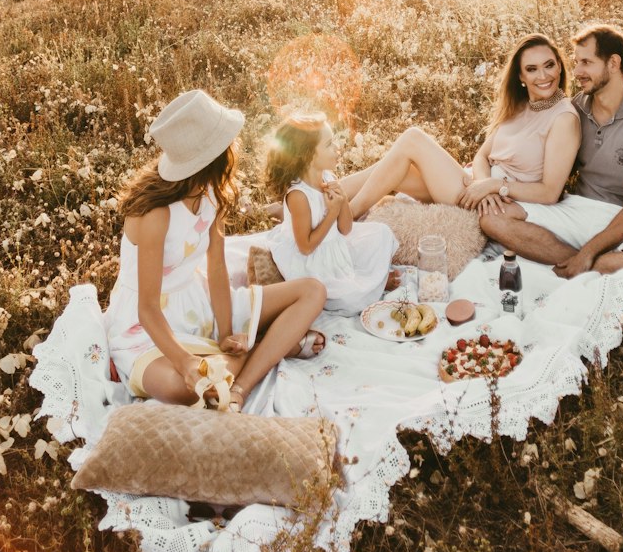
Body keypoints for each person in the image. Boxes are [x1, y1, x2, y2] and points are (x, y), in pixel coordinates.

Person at [104, 89, 327, 412]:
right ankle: (268, 347)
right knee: (182, 389)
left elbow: (218, 268)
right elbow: (147, 308)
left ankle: (241, 384)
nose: (235, 149)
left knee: (312, 291)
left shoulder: (211, 192)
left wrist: (226, 333)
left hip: (199, 303)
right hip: (147, 326)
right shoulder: (155, 215)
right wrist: (184, 363)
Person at [479, 24, 623, 283]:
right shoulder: (576, 109)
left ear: (613, 63)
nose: (576, 72)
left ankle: (573, 262)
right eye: (575, 63)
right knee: (493, 220)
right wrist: (495, 180)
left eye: (586, 62)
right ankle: (586, 265)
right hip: (575, 208)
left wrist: (588, 251)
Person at [340, 33, 581, 220]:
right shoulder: (520, 106)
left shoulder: (563, 118)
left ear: (560, 66)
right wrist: (481, 184)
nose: (543, 76)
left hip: (501, 202)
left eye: (549, 65)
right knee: (395, 168)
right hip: (477, 187)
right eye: (532, 69)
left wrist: (494, 187)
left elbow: (550, 192)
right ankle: (327, 196)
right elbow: (482, 156)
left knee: (413, 139)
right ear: (520, 77)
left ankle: (345, 217)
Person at [265, 113, 397, 313]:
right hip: (312, 264)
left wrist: (342, 199)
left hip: (335, 247)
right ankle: (371, 285)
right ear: (307, 155)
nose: (337, 148)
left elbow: (345, 229)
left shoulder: (328, 176)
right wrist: (332, 212)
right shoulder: (299, 196)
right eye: (328, 144)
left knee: (382, 233)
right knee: (350, 300)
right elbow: (306, 248)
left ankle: (371, 284)